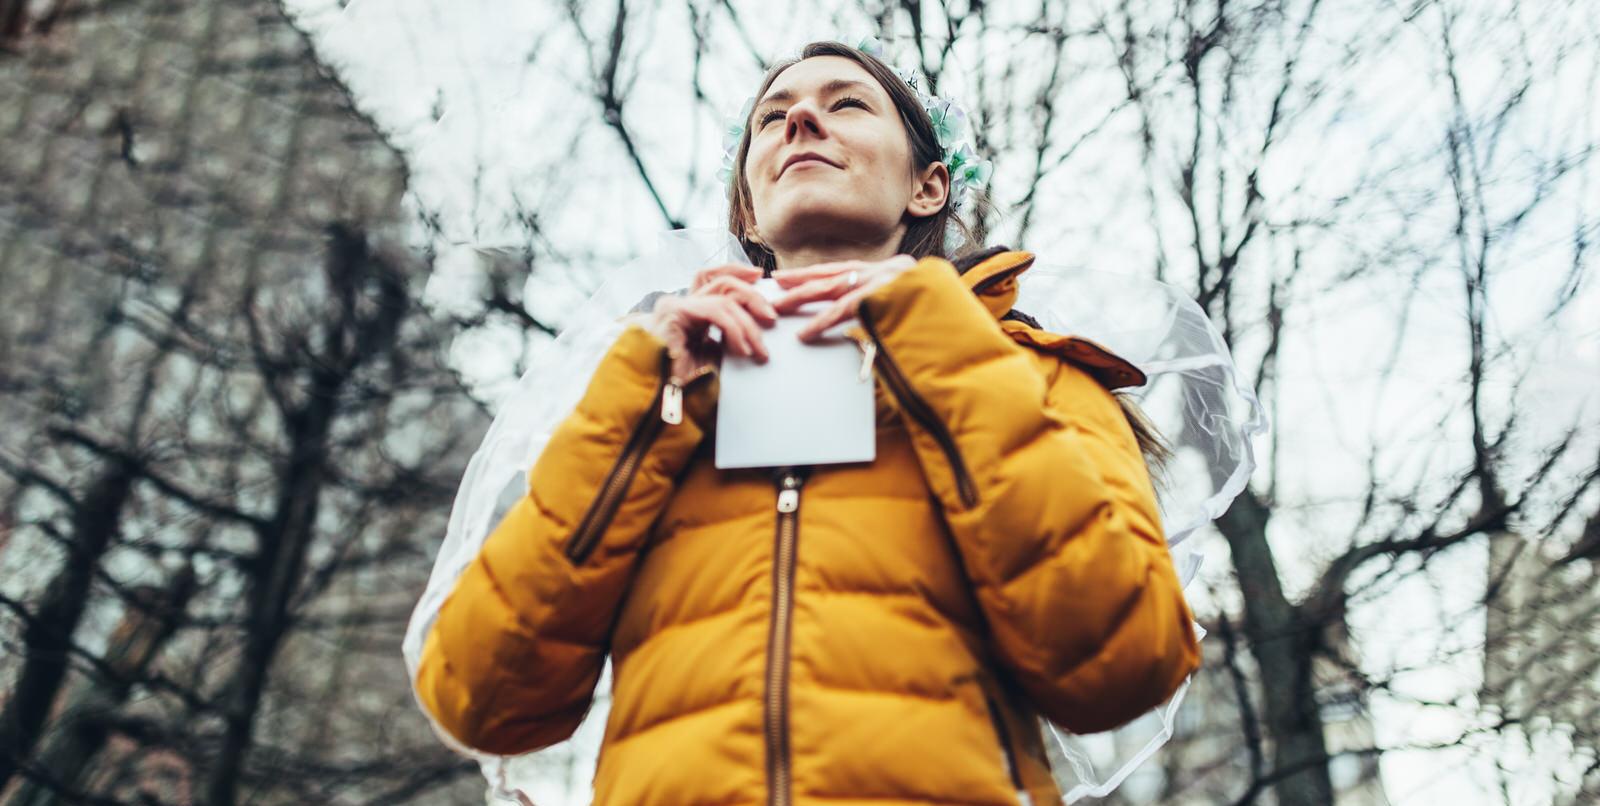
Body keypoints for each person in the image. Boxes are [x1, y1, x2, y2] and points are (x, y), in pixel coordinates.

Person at [412, 40, 1203, 806]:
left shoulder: (1034, 373)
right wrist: (645, 407)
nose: (799, 122)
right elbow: (479, 699)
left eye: (846, 103)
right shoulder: (654, 396)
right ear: (749, 212)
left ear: (929, 186)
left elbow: (1123, 663)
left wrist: (939, 346)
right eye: (773, 116)